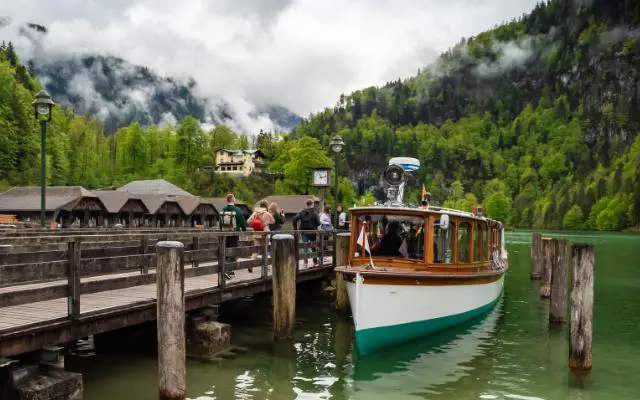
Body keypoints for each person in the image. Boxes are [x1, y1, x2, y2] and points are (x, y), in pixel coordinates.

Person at [220, 193, 247, 280]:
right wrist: (244, 230)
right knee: (233, 251)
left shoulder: (223, 209)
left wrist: (221, 231)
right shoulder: (237, 210)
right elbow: (242, 221)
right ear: (233, 200)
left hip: (225, 233)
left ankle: (230, 270)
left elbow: (220, 221)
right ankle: (227, 270)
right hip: (234, 233)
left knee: (226, 251)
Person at [247, 200, 275, 270]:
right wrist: (266, 223)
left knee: (256, 251)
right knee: (265, 250)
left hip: (256, 233)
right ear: (266, 206)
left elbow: (248, 221)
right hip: (264, 233)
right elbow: (273, 221)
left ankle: (250, 264)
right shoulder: (267, 213)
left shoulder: (255, 212)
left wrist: (254, 224)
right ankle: (266, 267)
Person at [293, 198, 320, 267]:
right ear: (312, 204)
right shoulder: (315, 212)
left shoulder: (302, 212)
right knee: (313, 247)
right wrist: (315, 226)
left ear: (307, 204)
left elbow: (294, 219)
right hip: (312, 232)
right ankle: (315, 262)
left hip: (303, 231)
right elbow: (319, 223)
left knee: (305, 247)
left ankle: (305, 263)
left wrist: (295, 228)